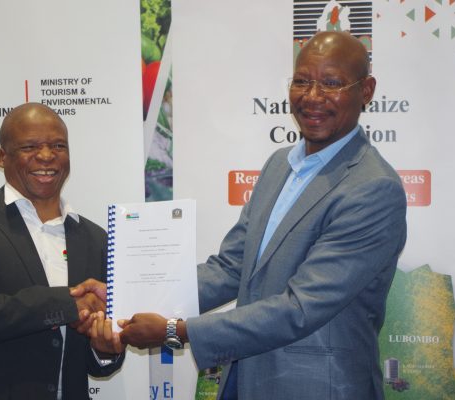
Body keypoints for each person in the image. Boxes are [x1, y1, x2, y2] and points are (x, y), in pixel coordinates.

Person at [117, 31, 407, 400]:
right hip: (245, 380)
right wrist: (121, 298)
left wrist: (176, 330)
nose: (312, 96)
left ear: (366, 91)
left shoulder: (372, 188)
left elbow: (300, 307)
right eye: (302, 81)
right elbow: (232, 267)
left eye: (331, 83)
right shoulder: (279, 165)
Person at [0, 103, 124, 400]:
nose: (46, 155)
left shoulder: (95, 238)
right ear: (1, 157)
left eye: (58, 145)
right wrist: (66, 303)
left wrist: (104, 350)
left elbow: (95, 362)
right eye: (30, 146)